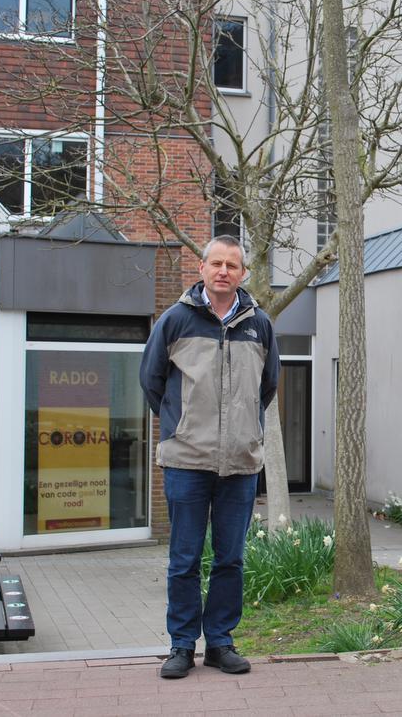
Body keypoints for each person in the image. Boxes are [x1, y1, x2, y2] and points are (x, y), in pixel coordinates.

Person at [139, 235, 279, 680]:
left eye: (232, 266)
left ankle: (220, 643)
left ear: (243, 274)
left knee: (230, 559)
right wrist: (182, 425)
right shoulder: (176, 321)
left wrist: (243, 430)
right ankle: (181, 646)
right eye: (215, 263)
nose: (223, 271)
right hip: (186, 462)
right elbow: (152, 382)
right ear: (201, 269)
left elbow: (268, 386)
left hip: (240, 464)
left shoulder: (259, 325)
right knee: (183, 559)